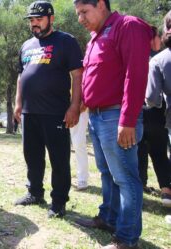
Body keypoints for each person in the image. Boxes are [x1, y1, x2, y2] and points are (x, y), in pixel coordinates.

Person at [73, 1, 152, 248]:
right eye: (78, 14)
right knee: (107, 173)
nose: (80, 19)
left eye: (84, 12)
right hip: (97, 116)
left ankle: (126, 239)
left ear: (100, 4)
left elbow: (136, 73)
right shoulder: (96, 37)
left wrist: (127, 120)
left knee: (126, 178)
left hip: (117, 116)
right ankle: (108, 218)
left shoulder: (127, 26)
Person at [14, 1, 83, 219]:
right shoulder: (26, 46)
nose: (34, 24)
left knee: (58, 159)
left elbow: (77, 75)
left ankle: (59, 202)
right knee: (32, 156)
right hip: (29, 111)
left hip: (55, 111)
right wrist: (18, 103)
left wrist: (74, 105)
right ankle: (35, 193)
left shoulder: (66, 41)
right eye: (31, 20)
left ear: (51, 19)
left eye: (39, 19)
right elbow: (20, 76)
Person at [138, 26, 171, 207]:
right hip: (156, 109)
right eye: (159, 37)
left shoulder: (135, 54)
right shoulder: (157, 57)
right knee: (159, 151)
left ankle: (140, 184)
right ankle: (166, 190)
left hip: (140, 110)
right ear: (153, 38)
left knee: (141, 149)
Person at [70, 109, 90, 191]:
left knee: (79, 143)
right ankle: (62, 177)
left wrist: (83, 103)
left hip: (79, 107)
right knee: (59, 145)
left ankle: (82, 179)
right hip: (59, 105)